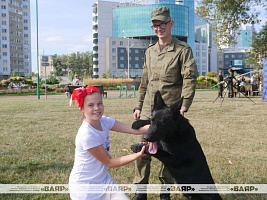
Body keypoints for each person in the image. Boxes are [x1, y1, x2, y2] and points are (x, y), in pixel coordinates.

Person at [132, 6, 198, 200]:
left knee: (167, 151)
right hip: (148, 111)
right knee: (143, 149)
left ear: (171, 23)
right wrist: (138, 105)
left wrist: (185, 102)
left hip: (169, 112)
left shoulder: (182, 50)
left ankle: (165, 190)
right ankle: (140, 191)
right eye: (155, 25)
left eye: (162, 24)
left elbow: (190, 77)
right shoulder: (150, 51)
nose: (159, 28)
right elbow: (144, 81)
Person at [69, 85, 149, 200]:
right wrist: (138, 155)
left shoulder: (104, 121)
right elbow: (110, 162)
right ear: (81, 108)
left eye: (99, 103)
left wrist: (160, 126)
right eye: (90, 105)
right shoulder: (87, 135)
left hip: (104, 182)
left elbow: (133, 129)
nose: (97, 108)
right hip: (85, 190)